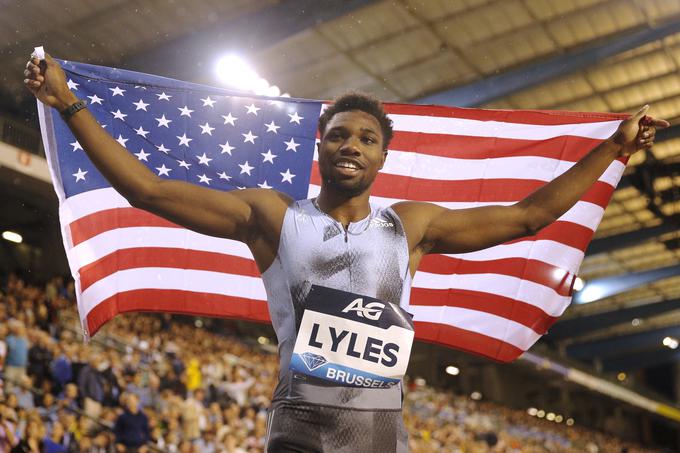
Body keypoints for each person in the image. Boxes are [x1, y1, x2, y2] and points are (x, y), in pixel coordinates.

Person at [24, 54, 668, 452]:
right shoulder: (271, 216)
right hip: (298, 428)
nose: (350, 144)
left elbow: (529, 217)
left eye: (365, 137)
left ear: (383, 156)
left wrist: (614, 147)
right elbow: (148, 190)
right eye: (337, 135)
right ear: (321, 150)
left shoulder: (411, 226)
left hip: (381, 433)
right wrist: (70, 104)